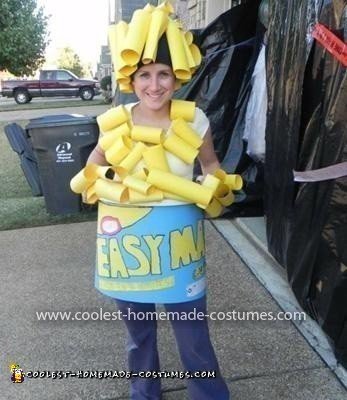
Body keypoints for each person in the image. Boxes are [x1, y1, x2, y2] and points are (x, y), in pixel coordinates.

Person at [81, 3, 230, 399]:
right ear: (130, 79)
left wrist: (215, 186)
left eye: (163, 74)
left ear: (176, 78)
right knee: (139, 335)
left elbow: (211, 165)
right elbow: (92, 169)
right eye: (144, 75)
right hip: (131, 244)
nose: (154, 85)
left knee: (193, 334)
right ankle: (144, 393)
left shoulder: (194, 120)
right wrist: (99, 185)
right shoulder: (119, 120)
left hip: (179, 243)